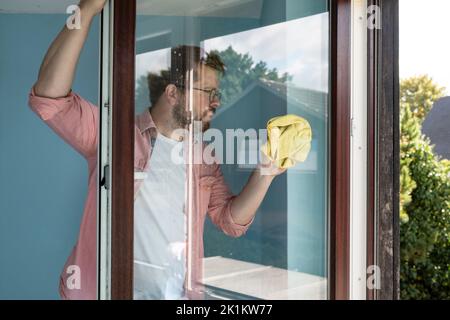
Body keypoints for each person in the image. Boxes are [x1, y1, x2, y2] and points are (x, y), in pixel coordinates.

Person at [28, 0, 285, 300]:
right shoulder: (112, 136)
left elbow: (230, 221)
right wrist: (85, 11)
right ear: (173, 93)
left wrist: (266, 172)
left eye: (217, 94)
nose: (216, 102)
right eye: (208, 93)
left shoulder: (203, 158)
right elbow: (49, 97)